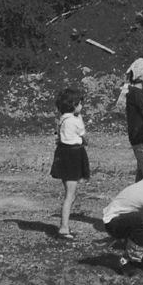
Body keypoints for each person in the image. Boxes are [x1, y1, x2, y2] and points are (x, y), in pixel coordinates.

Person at [51, 86, 90, 241]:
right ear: (74, 104)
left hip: (62, 153)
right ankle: (64, 227)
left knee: (69, 190)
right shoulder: (75, 120)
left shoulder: (62, 119)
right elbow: (84, 136)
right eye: (80, 103)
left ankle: (64, 225)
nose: (82, 106)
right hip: (74, 154)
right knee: (70, 194)